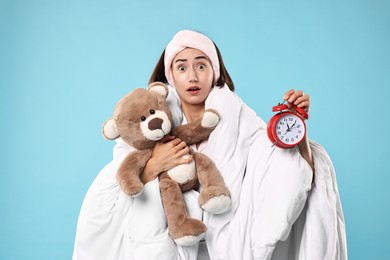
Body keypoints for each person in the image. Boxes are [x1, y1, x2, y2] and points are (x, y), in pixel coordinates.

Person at [73, 30, 347, 260]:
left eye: (201, 65)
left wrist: (294, 124)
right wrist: (156, 164)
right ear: (170, 76)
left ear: (214, 72)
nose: (192, 76)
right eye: (182, 67)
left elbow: (289, 173)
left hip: (223, 248)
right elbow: (116, 184)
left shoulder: (241, 122)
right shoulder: (147, 119)